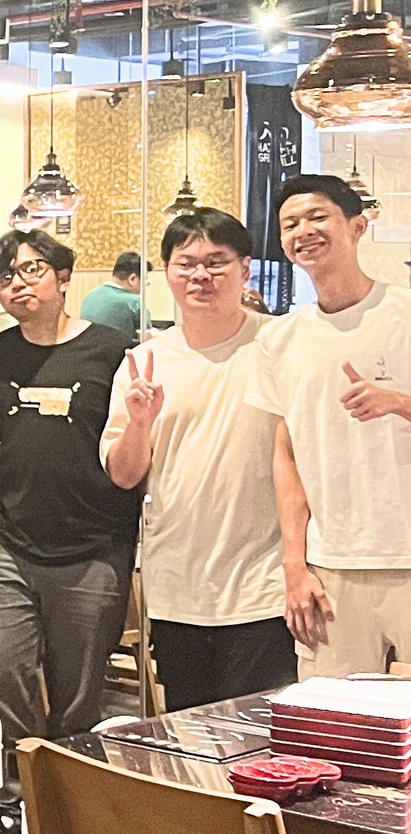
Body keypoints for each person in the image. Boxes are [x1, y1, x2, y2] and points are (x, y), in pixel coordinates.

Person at [101, 208, 290, 710]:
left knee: (261, 733)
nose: (200, 275)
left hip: (264, 587)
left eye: (216, 262)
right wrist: (139, 421)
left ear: (245, 269)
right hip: (177, 588)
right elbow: (124, 475)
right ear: (167, 273)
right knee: (191, 732)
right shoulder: (146, 361)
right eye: (185, 264)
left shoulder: (279, 344)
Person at [0, 229, 140, 789]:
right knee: (2, 675)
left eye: (32, 269)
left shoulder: (113, 351)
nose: (17, 284)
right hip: (9, 544)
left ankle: (69, 809)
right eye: (4, 277)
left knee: (78, 697)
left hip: (93, 547)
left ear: (63, 277)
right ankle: (14, 800)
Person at [248, 174, 411, 678]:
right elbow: (286, 456)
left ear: (357, 226)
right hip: (331, 563)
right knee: (333, 715)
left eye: (318, 216)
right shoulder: (279, 339)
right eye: (290, 224)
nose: (304, 231)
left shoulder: (404, 312)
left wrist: (399, 402)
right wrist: (295, 564)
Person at [79, 252, 145, 342]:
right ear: (132, 279)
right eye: (145, 283)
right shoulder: (134, 302)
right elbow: (146, 339)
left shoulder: (89, 297)